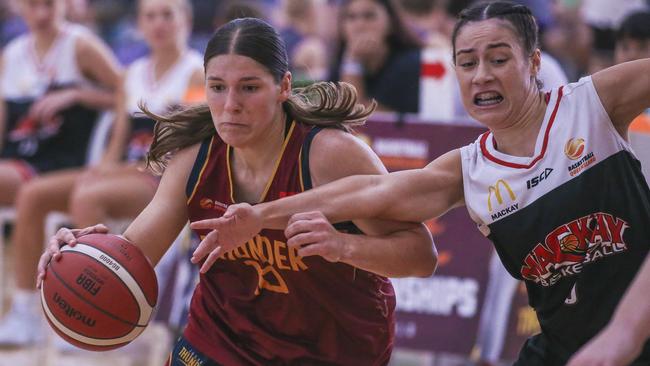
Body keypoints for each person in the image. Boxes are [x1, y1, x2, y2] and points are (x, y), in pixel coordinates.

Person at [183, 2, 650, 365]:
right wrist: (261, 216)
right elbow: (369, 192)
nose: (482, 74)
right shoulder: (468, 169)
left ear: (533, 62)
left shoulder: (591, 103)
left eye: (499, 58)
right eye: (466, 63)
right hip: (569, 346)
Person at [39, 17, 436, 365]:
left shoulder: (331, 156)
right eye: (217, 87)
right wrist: (83, 253)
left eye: (249, 88)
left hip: (333, 347)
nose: (230, 105)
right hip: (222, 337)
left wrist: (342, 246)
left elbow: (421, 256)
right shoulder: (193, 160)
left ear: (283, 86)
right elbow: (136, 253)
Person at [0, 0, 122, 347]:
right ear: (20, 8)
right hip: (19, 158)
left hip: (62, 161)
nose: (40, 13)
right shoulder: (12, 54)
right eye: (33, 5)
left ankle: (23, 310)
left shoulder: (80, 45)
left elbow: (129, 91)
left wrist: (78, 93)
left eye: (48, 4)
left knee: (27, 191)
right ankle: (20, 307)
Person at [330, 0, 423, 114]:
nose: (359, 25)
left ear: (391, 23)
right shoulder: (339, 64)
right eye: (351, 17)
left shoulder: (410, 64)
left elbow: (358, 117)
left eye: (369, 16)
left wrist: (353, 63)